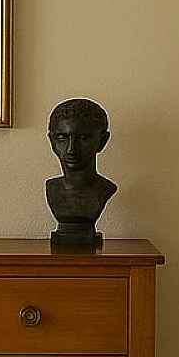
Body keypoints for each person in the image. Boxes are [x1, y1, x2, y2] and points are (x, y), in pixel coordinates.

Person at [45, 98, 116, 247]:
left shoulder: (105, 190)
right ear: (52, 142)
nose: (71, 149)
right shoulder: (52, 188)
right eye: (63, 138)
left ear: (102, 141)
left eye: (83, 138)